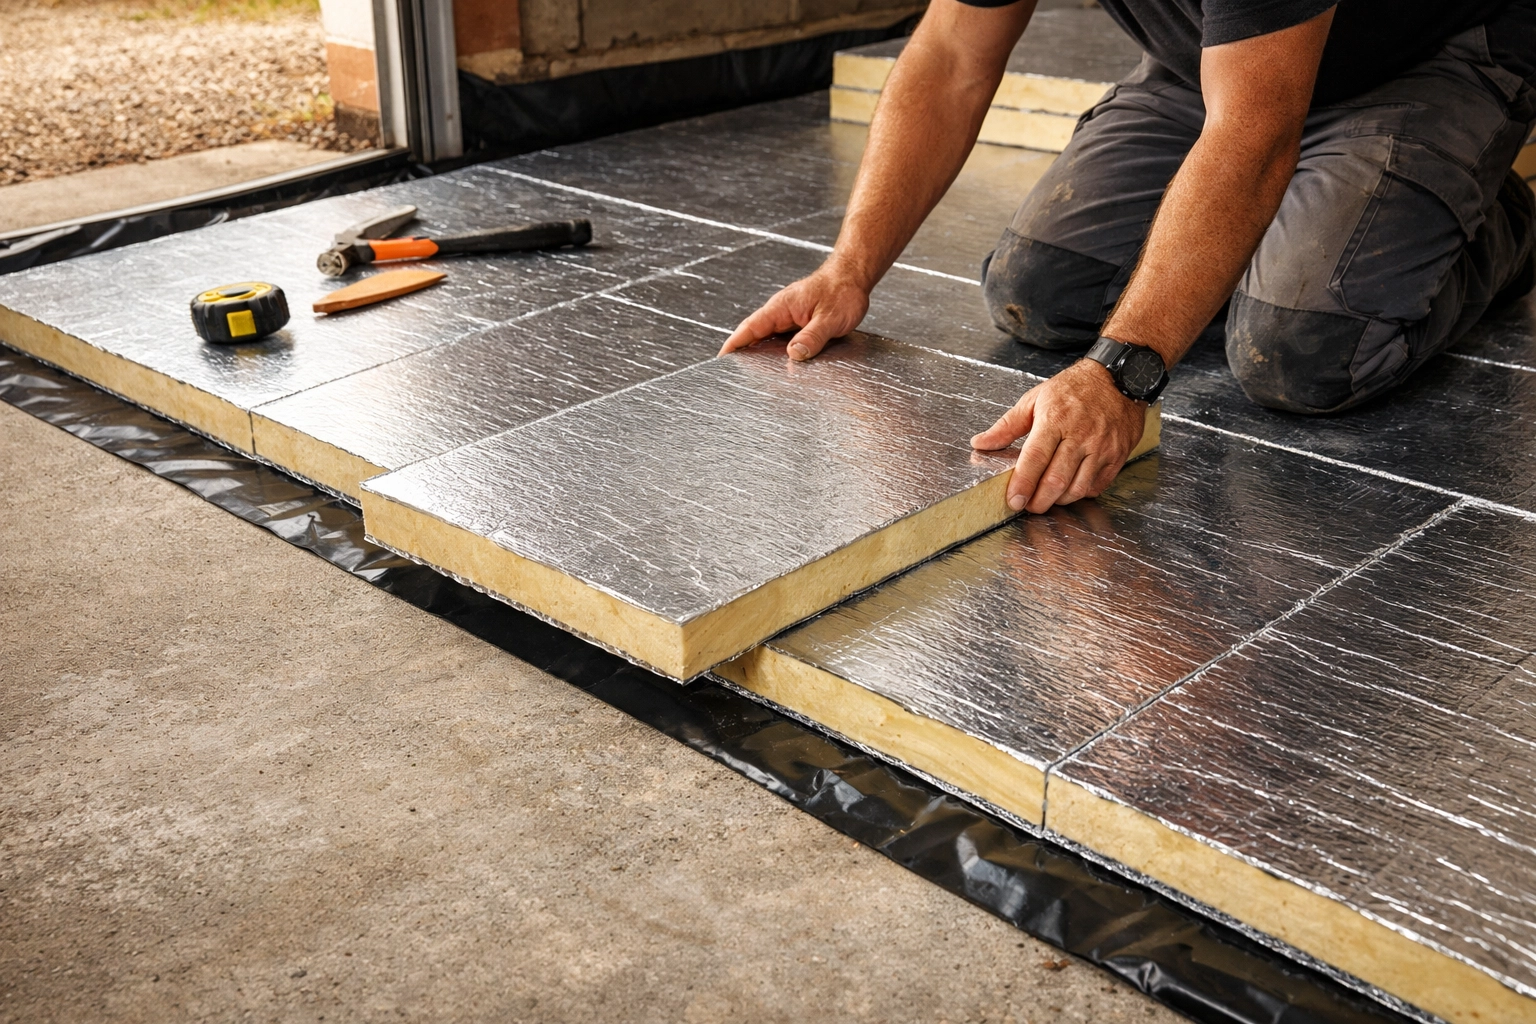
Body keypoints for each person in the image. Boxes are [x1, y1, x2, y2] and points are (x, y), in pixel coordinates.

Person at [720, 0, 1536, 513]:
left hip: (1420, 61)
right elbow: (951, 58)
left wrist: (1122, 373)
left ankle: (1494, 218)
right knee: (1038, 292)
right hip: (1208, 73)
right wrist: (848, 267)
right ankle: (1322, 219)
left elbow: (1255, 129)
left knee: (1303, 350)